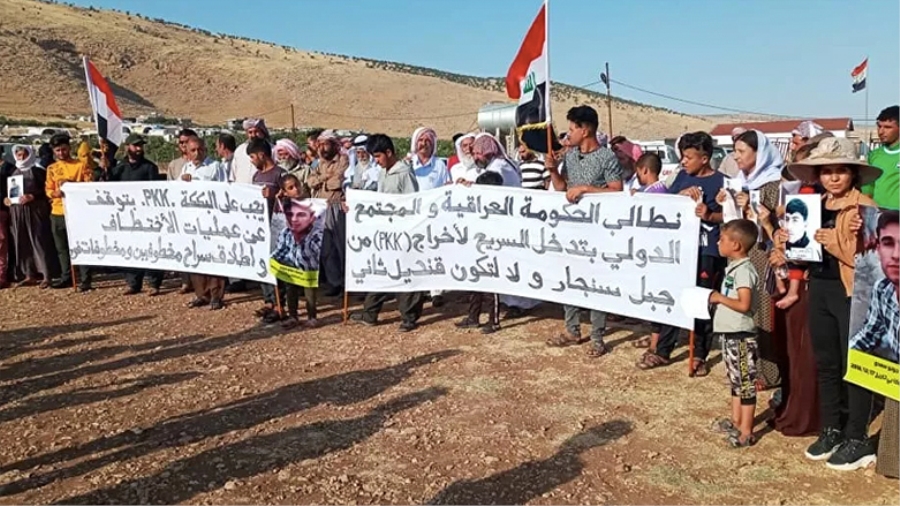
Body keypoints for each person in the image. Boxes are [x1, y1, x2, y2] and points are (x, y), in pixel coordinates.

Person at [785, 136, 881, 471]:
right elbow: (800, 254)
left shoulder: (864, 207)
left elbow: (871, 262)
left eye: (841, 171)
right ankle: (831, 428)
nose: (834, 177)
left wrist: (834, 245)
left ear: (854, 174)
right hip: (821, 289)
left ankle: (857, 436)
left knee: (853, 366)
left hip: (852, 293)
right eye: (827, 171)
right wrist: (786, 242)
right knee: (826, 361)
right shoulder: (811, 203)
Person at [638, 132, 725, 374]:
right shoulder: (680, 178)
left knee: (700, 302)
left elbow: (731, 217)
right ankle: (663, 350)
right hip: (678, 252)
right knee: (672, 298)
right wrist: (679, 197)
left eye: (688, 157)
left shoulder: (722, 182)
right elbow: (664, 205)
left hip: (707, 251)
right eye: (682, 157)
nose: (684, 162)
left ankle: (699, 354)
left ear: (704, 158)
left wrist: (709, 214)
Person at [544, 105, 624, 358]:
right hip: (572, 228)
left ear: (585, 129)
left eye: (572, 129)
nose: (569, 135)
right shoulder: (570, 156)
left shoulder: (607, 157)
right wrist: (553, 171)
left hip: (597, 230)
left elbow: (617, 191)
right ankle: (572, 328)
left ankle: (598, 335)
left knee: (595, 282)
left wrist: (587, 190)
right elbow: (562, 188)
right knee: (569, 276)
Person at [350, 134, 424, 332]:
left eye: (378, 156)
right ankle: (370, 313)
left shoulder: (404, 173)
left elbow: (412, 202)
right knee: (380, 270)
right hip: (385, 232)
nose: (376, 161)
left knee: (407, 273)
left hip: (403, 232)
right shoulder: (382, 172)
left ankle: (409, 316)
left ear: (389, 153)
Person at [709, 219, 761, 447]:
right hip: (729, 334)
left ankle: (746, 431)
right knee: (735, 381)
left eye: (723, 239)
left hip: (741, 336)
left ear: (736, 245)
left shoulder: (745, 271)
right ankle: (736, 420)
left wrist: (719, 298)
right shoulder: (734, 267)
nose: (718, 242)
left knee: (746, 383)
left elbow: (744, 304)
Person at [104, 134, 164, 295]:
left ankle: (153, 282)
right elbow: (108, 186)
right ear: (127, 147)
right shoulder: (120, 168)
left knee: (151, 249)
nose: (139, 149)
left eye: (140, 146)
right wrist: (106, 169)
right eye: (135, 146)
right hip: (126, 218)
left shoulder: (149, 167)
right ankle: (133, 283)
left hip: (146, 217)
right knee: (130, 249)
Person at [455, 171, 505, 334]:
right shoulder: (478, 203)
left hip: (492, 250)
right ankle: (473, 317)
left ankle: (494, 321)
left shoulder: (500, 207)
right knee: (474, 284)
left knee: (492, 287)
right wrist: (464, 188)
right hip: (476, 247)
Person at [181, 137, 228, 310]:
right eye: (193, 150)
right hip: (193, 221)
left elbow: (225, 189)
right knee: (196, 256)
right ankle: (201, 294)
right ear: (187, 151)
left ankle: (216, 295)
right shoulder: (186, 168)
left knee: (215, 257)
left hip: (212, 219)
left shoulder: (215, 167)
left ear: (205, 149)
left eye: (200, 149)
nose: (197, 153)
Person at [3, 145, 57, 289]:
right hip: (17, 212)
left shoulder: (38, 172)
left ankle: (46, 275)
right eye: (18, 155)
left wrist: (32, 196)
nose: (21, 157)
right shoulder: (12, 172)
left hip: (35, 211)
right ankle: (29, 274)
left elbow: (46, 191)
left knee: (38, 241)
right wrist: (6, 200)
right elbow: (7, 192)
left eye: (23, 154)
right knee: (22, 242)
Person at [848, 210, 899, 363]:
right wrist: (847, 359)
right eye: (888, 243)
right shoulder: (883, 290)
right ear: (878, 249)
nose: (896, 255)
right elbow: (869, 335)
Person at [45, 133, 93, 289]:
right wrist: (54, 193)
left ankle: (86, 278)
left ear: (69, 148)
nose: (61, 153)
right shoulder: (52, 168)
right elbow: (48, 189)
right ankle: (66, 276)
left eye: (63, 149)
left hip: (77, 212)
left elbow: (89, 186)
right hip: (58, 211)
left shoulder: (80, 165)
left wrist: (72, 185)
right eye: (58, 150)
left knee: (82, 245)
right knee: (62, 248)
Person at [272, 174, 320, 329]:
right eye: (290, 188)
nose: (296, 189)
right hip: (291, 251)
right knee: (290, 283)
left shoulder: (311, 201)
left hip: (308, 251)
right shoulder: (282, 205)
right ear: (284, 191)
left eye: (296, 185)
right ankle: (293, 315)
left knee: (309, 283)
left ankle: (312, 316)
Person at [306, 130, 349, 297]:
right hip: (320, 206)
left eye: (326, 144)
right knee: (326, 247)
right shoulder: (318, 163)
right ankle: (334, 281)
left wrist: (321, 181)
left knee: (341, 246)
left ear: (333, 144)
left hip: (337, 206)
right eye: (320, 144)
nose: (323, 147)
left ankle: (346, 282)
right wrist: (324, 178)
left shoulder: (343, 160)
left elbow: (338, 181)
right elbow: (310, 181)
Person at [863, 105, 899, 210]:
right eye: (879, 126)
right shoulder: (874, 155)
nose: (881, 132)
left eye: (888, 127)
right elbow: (868, 189)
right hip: (880, 217)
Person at [231, 118, 271, 184]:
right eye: (250, 132)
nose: (253, 135)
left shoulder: (271, 149)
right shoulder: (239, 150)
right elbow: (233, 175)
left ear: (263, 132)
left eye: (256, 131)